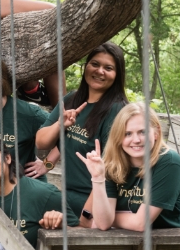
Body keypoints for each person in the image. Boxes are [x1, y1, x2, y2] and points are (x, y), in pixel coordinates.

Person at [36, 42, 128, 223]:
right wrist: (60, 125)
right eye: (95, 64)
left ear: (117, 75)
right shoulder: (72, 99)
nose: (100, 71)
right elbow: (41, 141)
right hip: (68, 195)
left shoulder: (117, 111)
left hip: (96, 200)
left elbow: (109, 169)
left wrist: (86, 216)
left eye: (108, 68)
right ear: (86, 66)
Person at [77, 102, 180, 231]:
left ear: (156, 133)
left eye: (142, 132)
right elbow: (103, 224)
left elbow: (140, 223)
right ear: (118, 137)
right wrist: (97, 178)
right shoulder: (112, 162)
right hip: (126, 240)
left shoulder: (169, 161)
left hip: (172, 241)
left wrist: (106, 218)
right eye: (127, 134)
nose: (136, 140)